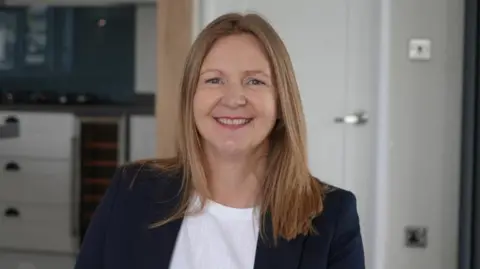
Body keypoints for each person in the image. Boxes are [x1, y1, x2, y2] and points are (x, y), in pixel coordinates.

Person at [74, 12, 365, 269]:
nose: (234, 99)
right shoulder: (132, 189)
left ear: (281, 102)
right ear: (191, 97)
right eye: (214, 80)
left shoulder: (331, 216)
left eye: (255, 81)